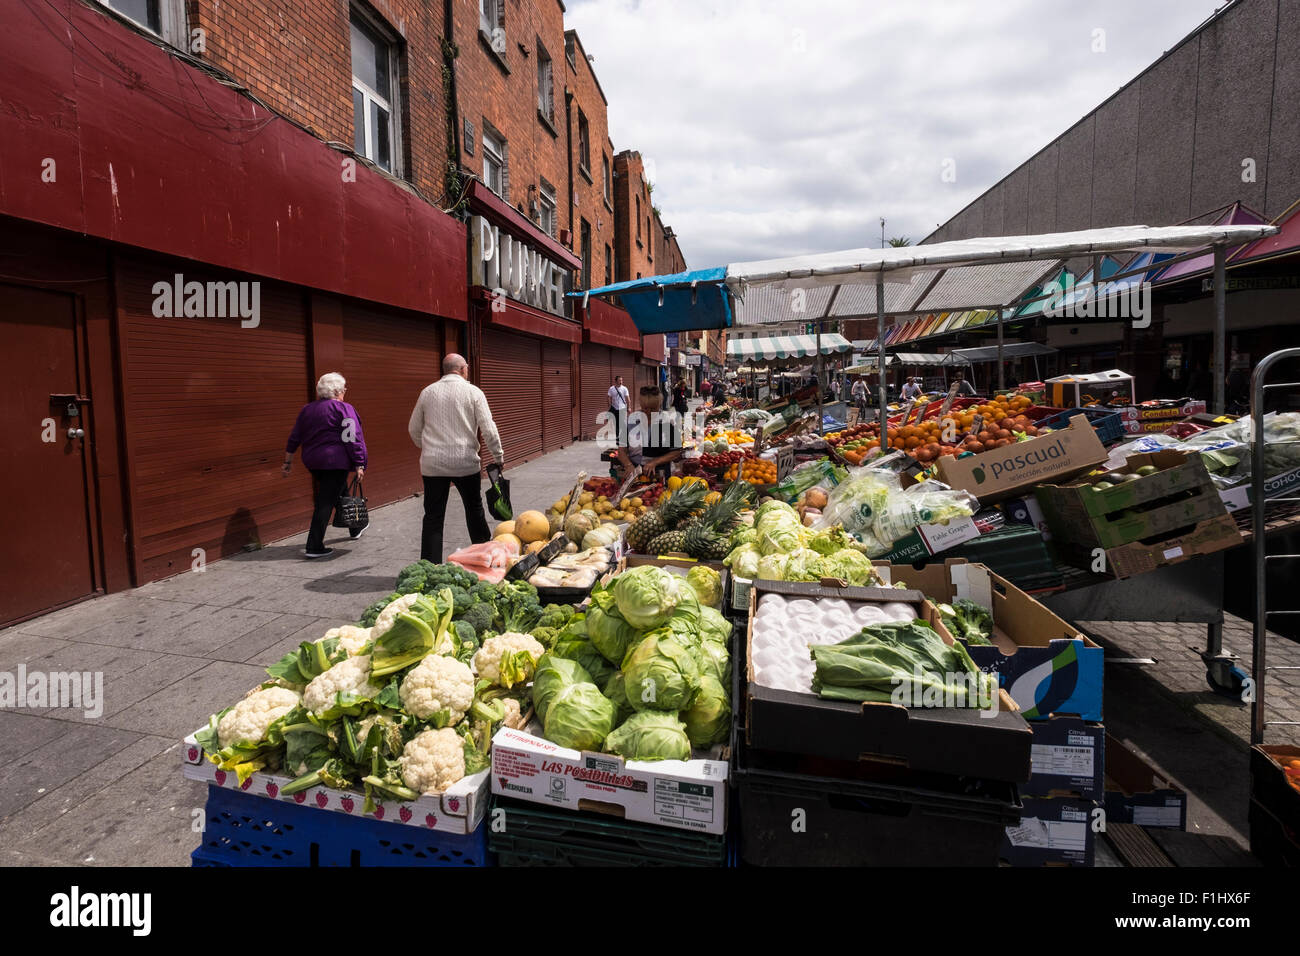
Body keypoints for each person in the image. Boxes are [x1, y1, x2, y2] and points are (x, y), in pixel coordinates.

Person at [408, 353, 504, 563]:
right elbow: (489, 429)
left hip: (433, 465)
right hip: (465, 463)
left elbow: (413, 428)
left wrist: (428, 448)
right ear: (462, 369)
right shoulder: (473, 392)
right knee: (474, 509)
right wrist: (498, 456)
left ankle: (430, 566)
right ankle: (485, 559)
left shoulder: (427, 392)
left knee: (433, 516)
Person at [283, 372, 368, 559]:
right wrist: (360, 463)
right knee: (325, 501)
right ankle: (314, 546)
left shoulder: (307, 409)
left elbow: (295, 436)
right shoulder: (344, 409)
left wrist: (288, 460)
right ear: (337, 390)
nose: (345, 392)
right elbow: (352, 438)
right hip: (335, 462)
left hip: (313, 462)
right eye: (344, 389)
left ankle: (355, 527)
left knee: (339, 492)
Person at [614, 386, 683, 483]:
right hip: (634, 473)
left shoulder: (668, 421)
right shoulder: (631, 420)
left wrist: (654, 462)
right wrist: (628, 465)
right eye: (645, 408)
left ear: (659, 404)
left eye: (653, 408)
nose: (649, 411)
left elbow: (676, 451)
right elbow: (621, 450)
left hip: (661, 473)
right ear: (641, 404)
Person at [607, 374, 630, 444]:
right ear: (615, 381)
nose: (621, 382)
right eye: (619, 380)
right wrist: (610, 406)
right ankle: (618, 439)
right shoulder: (611, 388)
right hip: (615, 408)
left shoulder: (624, 388)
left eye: (622, 380)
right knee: (616, 424)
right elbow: (608, 397)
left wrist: (629, 407)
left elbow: (628, 399)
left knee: (623, 424)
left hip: (622, 408)